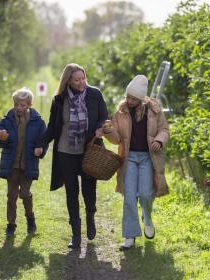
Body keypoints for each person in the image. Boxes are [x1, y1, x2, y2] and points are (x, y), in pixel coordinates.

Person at [35, 63, 108, 249]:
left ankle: (90, 215)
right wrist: (41, 145)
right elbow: (53, 126)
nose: (81, 82)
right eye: (77, 79)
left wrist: (100, 129)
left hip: (88, 151)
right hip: (66, 151)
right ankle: (76, 234)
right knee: (71, 192)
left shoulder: (95, 94)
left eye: (83, 78)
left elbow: (103, 116)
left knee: (89, 191)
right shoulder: (59, 99)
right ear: (68, 80)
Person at [102, 75, 169, 250]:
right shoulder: (121, 113)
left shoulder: (154, 110)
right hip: (129, 158)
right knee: (129, 197)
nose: (129, 100)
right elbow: (116, 139)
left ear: (141, 99)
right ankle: (130, 235)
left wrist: (159, 140)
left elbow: (164, 129)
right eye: (128, 97)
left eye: (133, 98)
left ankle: (147, 218)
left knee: (147, 194)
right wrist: (109, 130)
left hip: (148, 157)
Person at [0, 87, 47, 237]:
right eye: (17, 104)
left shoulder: (38, 122)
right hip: (12, 165)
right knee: (11, 196)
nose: (19, 107)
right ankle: (11, 224)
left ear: (29, 104)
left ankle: (30, 218)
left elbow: (43, 140)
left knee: (24, 193)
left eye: (22, 105)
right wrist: (1, 138)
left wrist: (40, 149)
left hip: (27, 165)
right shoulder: (6, 120)